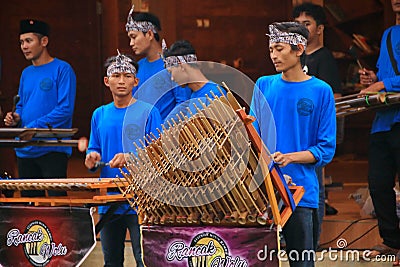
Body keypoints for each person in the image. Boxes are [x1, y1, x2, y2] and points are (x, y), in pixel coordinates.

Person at [250, 22, 336, 266]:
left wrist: (290, 158)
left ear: (299, 49)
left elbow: (326, 148)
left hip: (300, 193)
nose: (274, 56)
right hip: (264, 191)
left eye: (279, 49)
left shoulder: (321, 91)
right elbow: (253, 137)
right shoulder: (264, 85)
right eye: (271, 50)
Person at [85, 52, 161, 267]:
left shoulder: (149, 112)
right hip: (108, 199)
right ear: (106, 81)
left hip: (142, 199)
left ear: (135, 81)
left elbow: (161, 154)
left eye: (127, 76)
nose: (121, 81)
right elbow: (94, 149)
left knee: (144, 260)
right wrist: (91, 159)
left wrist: (132, 157)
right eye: (116, 75)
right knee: (111, 261)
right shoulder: (99, 114)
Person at [4, 19, 76, 197]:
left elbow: (65, 109)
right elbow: (21, 104)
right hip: (25, 149)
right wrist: (15, 117)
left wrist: (34, 127)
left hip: (52, 147)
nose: (24, 46)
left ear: (44, 41)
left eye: (29, 41)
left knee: (57, 205)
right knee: (29, 208)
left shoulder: (62, 69)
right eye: (21, 42)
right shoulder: (26, 73)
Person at [292, 2, 343, 242]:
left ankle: (314, 237)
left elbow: (334, 99)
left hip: (314, 136)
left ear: (319, 28)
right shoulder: (291, 61)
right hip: (293, 132)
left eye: (307, 24)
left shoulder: (325, 58)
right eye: (298, 24)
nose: (301, 28)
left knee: (316, 186)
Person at [357, 0, 400, 258]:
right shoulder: (387, 34)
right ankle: (391, 240)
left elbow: (389, 80)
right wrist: (374, 79)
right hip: (383, 122)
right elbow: (387, 74)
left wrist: (382, 83)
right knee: (378, 182)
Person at [125, 6, 191, 122]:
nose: (131, 43)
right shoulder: (137, 67)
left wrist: (162, 130)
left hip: (167, 135)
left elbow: (183, 103)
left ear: (149, 34)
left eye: (134, 37)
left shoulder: (173, 65)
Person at [162, 39, 226, 119]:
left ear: (181, 66)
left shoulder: (215, 94)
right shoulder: (193, 96)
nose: (172, 78)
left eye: (171, 72)